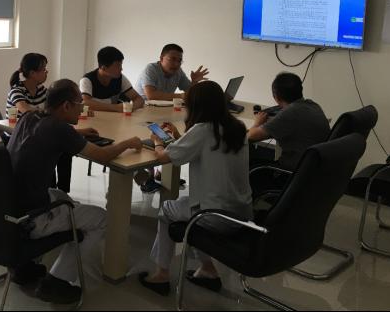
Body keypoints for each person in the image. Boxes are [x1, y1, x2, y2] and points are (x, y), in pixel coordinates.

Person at [7, 79, 143, 304]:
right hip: (33, 218)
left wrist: (78, 134)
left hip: (12, 209)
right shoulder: (59, 129)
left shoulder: (29, 117)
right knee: (102, 219)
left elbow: (55, 133)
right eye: (80, 103)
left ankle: (23, 267)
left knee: (63, 198)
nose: (82, 108)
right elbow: (103, 155)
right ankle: (57, 280)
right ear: (66, 106)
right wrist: (128, 143)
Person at [139, 81, 252, 296]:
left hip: (214, 216)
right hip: (241, 213)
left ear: (195, 106)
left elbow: (164, 157)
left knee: (167, 210)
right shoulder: (236, 128)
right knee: (190, 207)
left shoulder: (202, 130)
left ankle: (161, 275)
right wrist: (179, 138)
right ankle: (207, 270)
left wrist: (157, 141)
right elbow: (201, 150)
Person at [246, 72, 330, 194]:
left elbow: (249, 136)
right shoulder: (313, 105)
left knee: (248, 167)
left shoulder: (291, 113)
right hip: (311, 173)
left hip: (290, 175)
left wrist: (257, 122)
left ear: (276, 97)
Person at [6, 53, 74, 192]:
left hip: (36, 133)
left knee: (65, 149)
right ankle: (49, 189)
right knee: (49, 150)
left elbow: (54, 109)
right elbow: (25, 109)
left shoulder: (42, 90)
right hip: (18, 136)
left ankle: (62, 192)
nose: (46, 72)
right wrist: (46, 113)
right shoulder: (17, 90)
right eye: (43, 69)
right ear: (32, 73)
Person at [80, 46, 144, 113]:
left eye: (121, 64)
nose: (121, 69)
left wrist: (130, 108)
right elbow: (85, 103)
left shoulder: (120, 78)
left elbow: (139, 99)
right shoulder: (87, 80)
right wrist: (116, 108)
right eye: (117, 66)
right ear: (104, 68)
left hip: (114, 118)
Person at [135, 43, 209, 101]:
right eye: (172, 59)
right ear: (161, 58)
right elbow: (151, 95)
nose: (176, 64)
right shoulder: (151, 69)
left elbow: (190, 93)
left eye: (179, 61)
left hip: (164, 108)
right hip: (143, 108)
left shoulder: (178, 72)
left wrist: (194, 82)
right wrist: (181, 96)